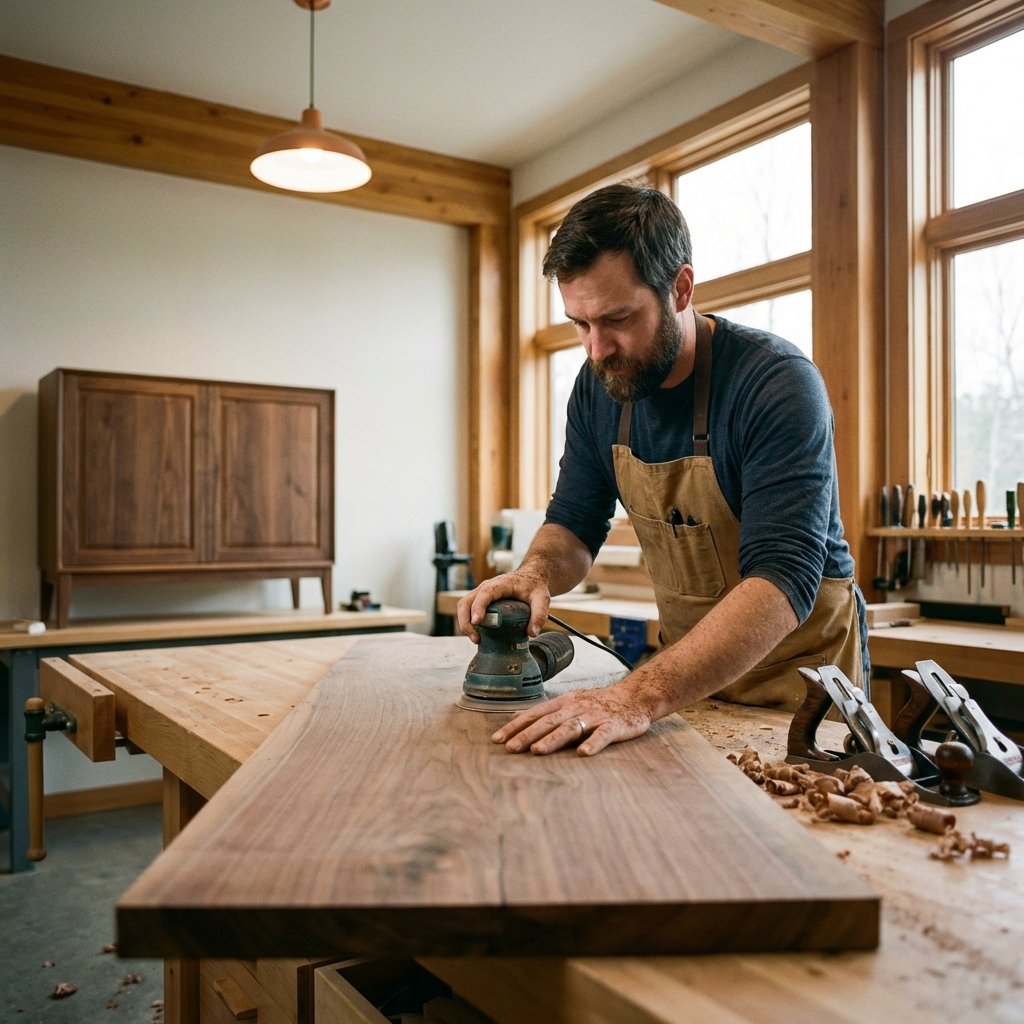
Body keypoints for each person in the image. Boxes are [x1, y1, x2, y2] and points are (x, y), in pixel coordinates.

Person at [457, 181, 867, 758]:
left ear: (680, 288)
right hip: (688, 691)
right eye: (579, 323)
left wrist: (636, 697)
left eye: (617, 318)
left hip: (802, 703)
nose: (596, 349)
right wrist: (536, 573)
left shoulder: (775, 383)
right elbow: (575, 523)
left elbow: (783, 578)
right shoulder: (599, 387)